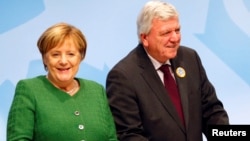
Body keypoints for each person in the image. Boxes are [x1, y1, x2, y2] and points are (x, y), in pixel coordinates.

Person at [106, 1, 229, 141]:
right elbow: (130, 135)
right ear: (145, 38)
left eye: (177, 30)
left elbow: (212, 111)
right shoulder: (123, 77)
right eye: (166, 33)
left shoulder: (190, 58)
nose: (175, 38)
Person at [7, 22, 118, 141]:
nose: (64, 61)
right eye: (55, 54)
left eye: (71, 54)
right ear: (44, 58)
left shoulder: (97, 90)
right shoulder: (29, 89)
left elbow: (111, 138)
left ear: (80, 57)